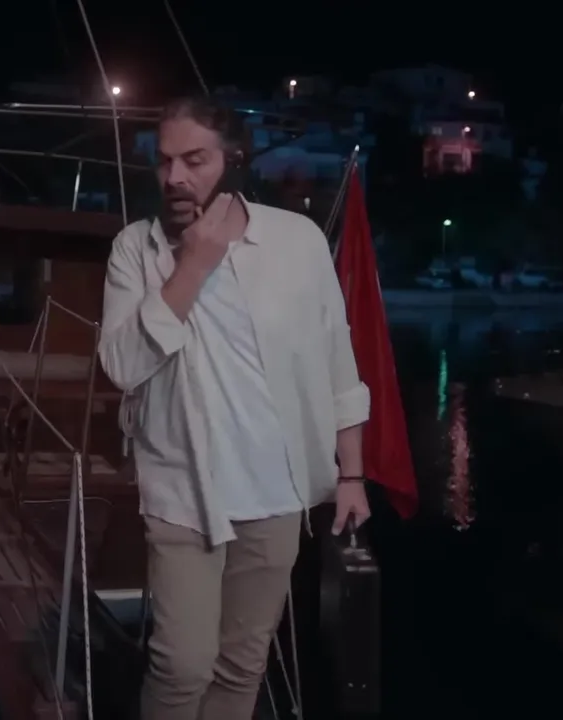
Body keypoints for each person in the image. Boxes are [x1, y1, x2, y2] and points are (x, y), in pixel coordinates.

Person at [98, 96, 372, 720]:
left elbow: (337, 358)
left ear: (234, 160)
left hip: (276, 492)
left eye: (194, 161)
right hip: (181, 490)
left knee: (243, 663)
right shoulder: (136, 249)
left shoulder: (297, 240)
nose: (175, 177)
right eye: (165, 161)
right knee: (182, 666)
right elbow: (121, 365)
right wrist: (194, 263)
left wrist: (351, 474)